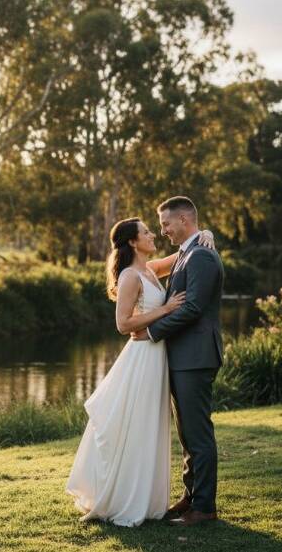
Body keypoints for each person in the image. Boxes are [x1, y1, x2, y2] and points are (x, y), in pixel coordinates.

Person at [66, 198, 222, 527]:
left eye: (163, 225)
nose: (158, 232)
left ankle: (203, 505)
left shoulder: (169, 263)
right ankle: (189, 496)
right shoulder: (135, 274)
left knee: (194, 433)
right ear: (134, 242)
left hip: (179, 355)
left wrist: (205, 230)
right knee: (171, 431)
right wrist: (161, 315)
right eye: (150, 230)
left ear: (182, 220)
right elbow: (123, 325)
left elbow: (191, 291)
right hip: (151, 356)